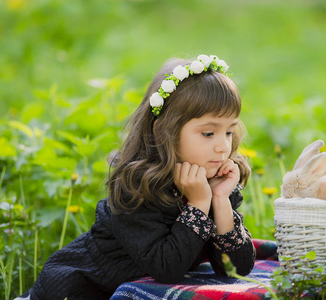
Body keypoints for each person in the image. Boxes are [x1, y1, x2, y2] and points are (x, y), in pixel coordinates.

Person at [17, 54, 256, 300]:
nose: (223, 147)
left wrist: (219, 200)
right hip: (84, 287)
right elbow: (167, 268)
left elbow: (236, 269)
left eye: (229, 132)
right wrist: (197, 204)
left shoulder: (214, 177)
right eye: (208, 133)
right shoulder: (136, 185)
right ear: (164, 130)